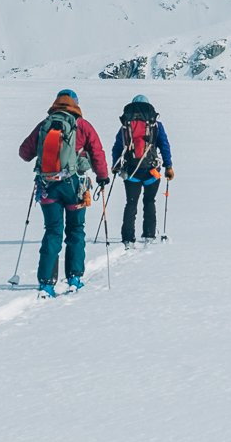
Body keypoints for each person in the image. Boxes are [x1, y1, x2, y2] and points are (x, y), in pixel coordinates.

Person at [18, 88, 109, 297]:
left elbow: (24, 153)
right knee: (76, 229)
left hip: (47, 186)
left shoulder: (44, 124)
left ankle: (46, 282)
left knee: (52, 231)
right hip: (74, 186)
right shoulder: (82, 125)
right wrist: (102, 176)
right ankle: (74, 278)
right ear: (76, 104)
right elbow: (97, 152)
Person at [112, 94, 174, 246]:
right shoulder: (155, 125)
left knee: (131, 203)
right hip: (151, 170)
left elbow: (117, 147)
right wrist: (169, 166)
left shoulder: (126, 125)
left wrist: (115, 165)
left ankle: (127, 238)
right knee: (149, 201)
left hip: (131, 171)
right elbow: (164, 145)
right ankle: (149, 235)